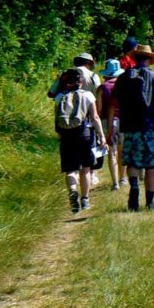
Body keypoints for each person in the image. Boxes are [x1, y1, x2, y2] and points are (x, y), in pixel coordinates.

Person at [112, 44, 154, 211]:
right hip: (151, 128)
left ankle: (134, 187)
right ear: (149, 59)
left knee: (132, 162)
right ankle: (150, 202)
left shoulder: (123, 78)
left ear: (134, 58)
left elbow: (113, 105)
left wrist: (111, 129)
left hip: (130, 128)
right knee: (150, 166)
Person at [54, 68, 106, 213]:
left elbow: (57, 119)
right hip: (84, 134)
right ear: (81, 82)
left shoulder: (59, 97)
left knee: (70, 169)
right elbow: (95, 117)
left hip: (66, 136)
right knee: (86, 169)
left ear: (66, 83)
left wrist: (60, 135)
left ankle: (72, 190)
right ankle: (85, 199)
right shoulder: (88, 95)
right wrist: (101, 136)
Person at [96, 58, 125, 189]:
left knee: (112, 152)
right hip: (124, 120)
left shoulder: (102, 88)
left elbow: (99, 109)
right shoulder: (125, 85)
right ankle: (123, 178)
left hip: (108, 121)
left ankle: (115, 183)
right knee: (122, 150)